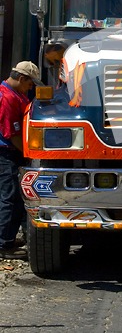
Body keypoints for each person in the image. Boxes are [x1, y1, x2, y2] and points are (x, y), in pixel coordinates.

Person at [0, 61, 43, 260]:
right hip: (7, 152)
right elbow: (12, 134)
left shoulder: (13, 93)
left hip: (10, 151)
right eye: (30, 84)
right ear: (21, 78)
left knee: (16, 197)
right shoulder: (8, 98)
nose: (31, 88)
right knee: (9, 197)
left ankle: (7, 238)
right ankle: (4, 245)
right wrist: (29, 153)